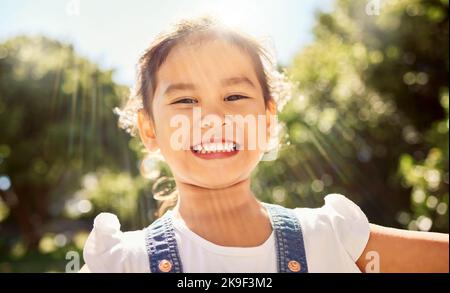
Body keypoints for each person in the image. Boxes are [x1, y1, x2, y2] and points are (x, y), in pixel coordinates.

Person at [80, 17, 449, 273]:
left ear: (268, 120)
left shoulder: (332, 237)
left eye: (235, 95)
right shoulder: (121, 261)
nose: (214, 118)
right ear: (149, 130)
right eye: (185, 101)